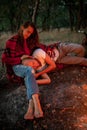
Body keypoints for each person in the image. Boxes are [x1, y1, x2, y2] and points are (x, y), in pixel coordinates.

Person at [1, 21, 44, 120]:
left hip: (26, 67)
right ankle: (36, 102)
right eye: (27, 31)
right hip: (16, 67)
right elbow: (6, 59)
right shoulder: (11, 41)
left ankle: (30, 107)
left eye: (30, 33)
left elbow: (37, 48)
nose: (28, 35)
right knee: (29, 71)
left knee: (30, 72)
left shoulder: (26, 41)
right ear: (22, 28)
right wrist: (21, 58)